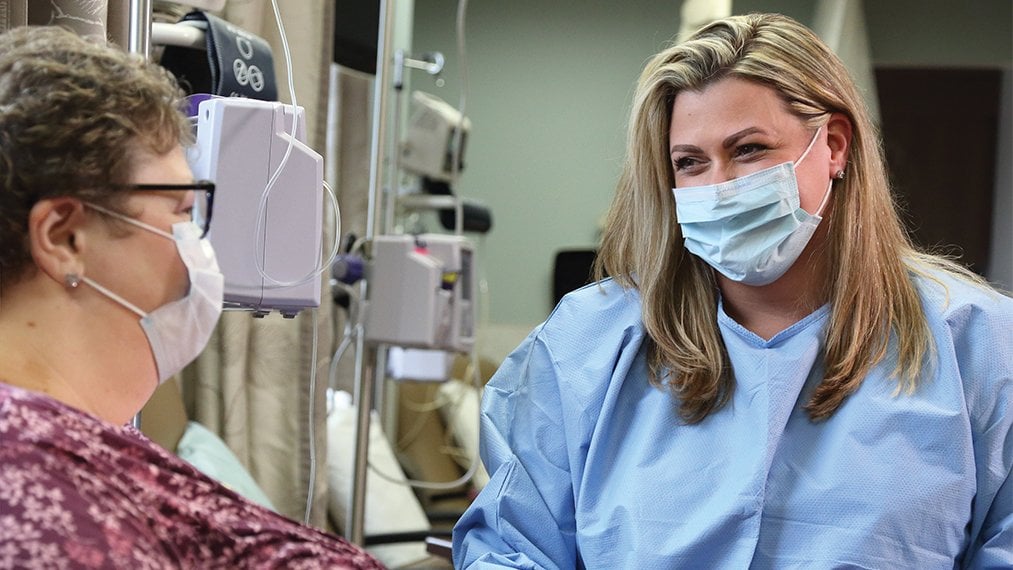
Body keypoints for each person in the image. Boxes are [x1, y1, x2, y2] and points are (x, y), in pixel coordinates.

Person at [453, 13, 1012, 569]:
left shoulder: (978, 347)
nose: (718, 187)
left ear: (835, 146)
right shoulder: (587, 347)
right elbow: (508, 547)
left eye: (749, 150)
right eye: (691, 163)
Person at [0, 26, 383, 569]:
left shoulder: (74, 444)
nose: (200, 249)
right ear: (64, 236)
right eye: (182, 210)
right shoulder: (26, 493)